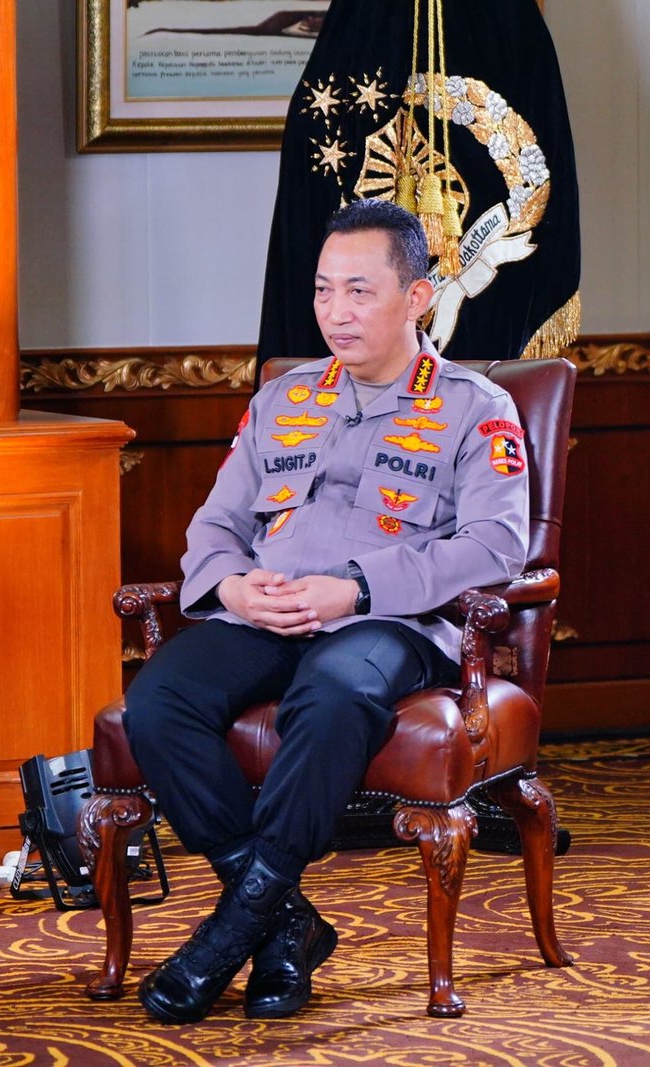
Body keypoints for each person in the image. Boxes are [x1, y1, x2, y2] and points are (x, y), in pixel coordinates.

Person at [122, 198, 531, 1024]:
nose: (335, 312)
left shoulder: (475, 406)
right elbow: (215, 526)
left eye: (359, 291)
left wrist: (358, 587)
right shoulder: (286, 398)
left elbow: (497, 546)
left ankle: (229, 932)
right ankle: (284, 922)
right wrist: (232, 587)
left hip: (389, 623)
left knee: (334, 693)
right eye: (322, 290)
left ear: (417, 298)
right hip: (268, 610)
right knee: (159, 698)